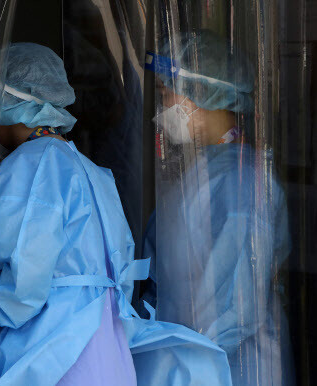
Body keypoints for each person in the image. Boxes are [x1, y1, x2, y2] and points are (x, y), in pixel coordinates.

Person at [0, 42, 233, 386]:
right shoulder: (91, 170)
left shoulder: (29, 166)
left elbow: (23, 285)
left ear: (5, 103)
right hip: (109, 346)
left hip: (55, 351)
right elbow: (121, 269)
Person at [143, 30, 293, 385]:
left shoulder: (242, 183)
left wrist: (185, 362)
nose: (161, 112)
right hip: (189, 358)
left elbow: (235, 309)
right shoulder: (203, 171)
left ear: (202, 93)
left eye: (167, 96)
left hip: (229, 367)